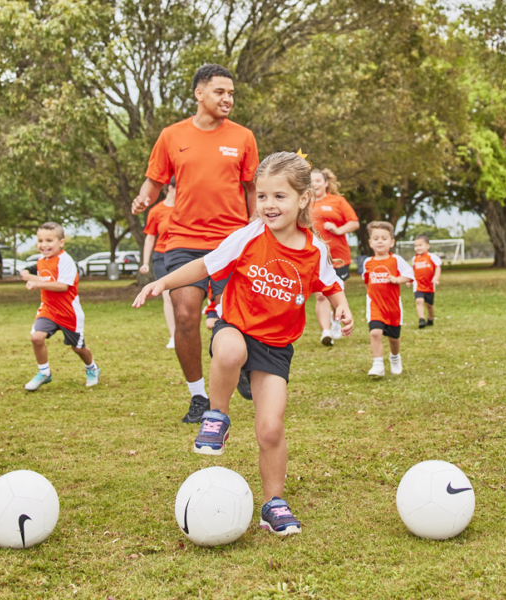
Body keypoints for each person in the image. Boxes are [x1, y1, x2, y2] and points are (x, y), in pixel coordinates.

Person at [133, 152, 354, 536]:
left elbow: (330, 283)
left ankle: (274, 503)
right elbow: (204, 265)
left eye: (279, 197)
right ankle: (216, 416)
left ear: (303, 199)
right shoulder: (249, 235)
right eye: (262, 196)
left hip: (275, 347)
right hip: (235, 325)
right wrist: (163, 283)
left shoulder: (314, 249)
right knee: (231, 351)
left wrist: (343, 309)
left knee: (270, 428)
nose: (268, 205)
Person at [132, 64, 259, 423]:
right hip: (184, 240)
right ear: (199, 93)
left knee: (236, 317)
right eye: (220, 92)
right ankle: (199, 397)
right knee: (186, 315)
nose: (228, 99)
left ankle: (244, 366)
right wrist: (144, 199)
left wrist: (253, 225)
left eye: (232, 93)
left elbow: (252, 188)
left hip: (231, 242)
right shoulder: (172, 136)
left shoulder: (243, 137)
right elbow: (153, 182)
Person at [20, 222, 100, 391]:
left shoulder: (65, 261)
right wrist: (26, 274)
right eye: (40, 241)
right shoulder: (41, 261)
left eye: (49, 240)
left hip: (68, 313)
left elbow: (62, 286)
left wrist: (36, 282)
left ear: (61, 242)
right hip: (48, 310)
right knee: (36, 337)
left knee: (78, 348)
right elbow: (28, 270)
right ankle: (44, 373)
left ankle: (91, 368)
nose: (44, 245)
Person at [309, 168, 359, 346]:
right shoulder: (303, 202)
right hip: (315, 257)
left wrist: (338, 230)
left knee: (337, 292)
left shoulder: (338, 201)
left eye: (317, 181)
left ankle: (336, 321)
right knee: (321, 295)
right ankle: (326, 331)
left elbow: (354, 222)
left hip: (339, 256)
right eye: (311, 181)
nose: (314, 184)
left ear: (326, 183)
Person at [362, 221, 414, 377]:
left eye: (384, 238)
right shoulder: (367, 262)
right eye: (376, 238)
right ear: (370, 243)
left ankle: (395, 357)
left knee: (393, 338)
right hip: (375, 305)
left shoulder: (396, 260)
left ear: (392, 242)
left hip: (392, 307)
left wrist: (398, 280)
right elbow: (366, 282)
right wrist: (371, 295)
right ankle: (378, 364)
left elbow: (410, 275)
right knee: (375, 333)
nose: (380, 241)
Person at [139, 176, 176, 348]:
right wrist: (145, 262)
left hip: (180, 256)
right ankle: (174, 336)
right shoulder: (156, 211)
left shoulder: (186, 210)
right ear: (170, 188)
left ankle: (185, 331)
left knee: (182, 294)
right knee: (167, 294)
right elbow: (149, 238)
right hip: (161, 256)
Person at [411, 234, 441, 328]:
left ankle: (430, 318)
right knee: (419, 300)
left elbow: (438, 267)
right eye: (416, 246)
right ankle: (421, 319)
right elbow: (413, 270)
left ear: (427, 246)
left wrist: (436, 277)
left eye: (420, 245)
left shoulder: (432, 257)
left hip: (429, 285)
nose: (418, 248)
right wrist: (409, 280)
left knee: (429, 305)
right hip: (418, 285)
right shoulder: (414, 259)